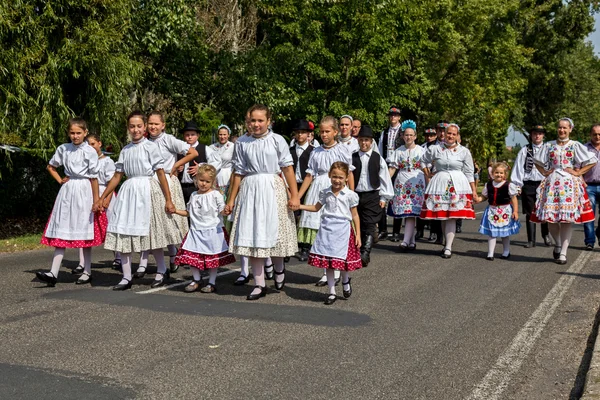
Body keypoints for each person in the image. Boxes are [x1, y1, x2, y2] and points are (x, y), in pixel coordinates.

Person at [97, 111, 179, 290]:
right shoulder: (126, 150)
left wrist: (169, 199)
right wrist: (103, 197)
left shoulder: (151, 147)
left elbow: (161, 174)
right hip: (129, 192)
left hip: (147, 190)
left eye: (139, 126)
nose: (135, 130)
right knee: (123, 232)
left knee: (151, 233)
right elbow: (117, 176)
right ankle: (126, 276)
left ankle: (161, 270)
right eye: (132, 126)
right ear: (128, 128)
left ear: (144, 128)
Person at [225, 104, 299, 300]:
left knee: (274, 232)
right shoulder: (241, 142)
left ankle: (279, 268)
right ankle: (259, 284)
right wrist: (231, 199)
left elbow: (287, 168)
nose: (256, 124)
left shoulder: (277, 140)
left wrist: (295, 195)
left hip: (273, 187)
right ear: (247, 121)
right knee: (253, 234)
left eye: (260, 120)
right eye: (252, 121)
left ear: (268, 121)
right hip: (250, 189)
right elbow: (238, 172)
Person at [36, 118, 101, 287]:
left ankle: (87, 271)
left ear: (85, 133)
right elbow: (51, 166)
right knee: (61, 227)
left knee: (84, 230)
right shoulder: (63, 149)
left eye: (78, 133)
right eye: (72, 133)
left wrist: (96, 200)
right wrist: (60, 181)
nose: (75, 136)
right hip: (68, 190)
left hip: (83, 190)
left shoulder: (89, 151)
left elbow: (94, 178)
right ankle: (53, 272)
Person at [297, 116, 355, 286]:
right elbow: (309, 175)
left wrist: (350, 193)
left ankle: (337, 270)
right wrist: (298, 196)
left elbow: (349, 173)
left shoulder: (342, 150)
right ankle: (326, 271)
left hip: (337, 189)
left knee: (336, 230)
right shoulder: (315, 151)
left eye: (327, 131)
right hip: (319, 190)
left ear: (335, 132)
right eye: (321, 131)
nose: (323, 134)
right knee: (322, 232)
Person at [532, 118, 597, 264]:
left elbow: (592, 160)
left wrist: (577, 173)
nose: (562, 130)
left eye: (565, 128)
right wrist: (544, 172)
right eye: (560, 127)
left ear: (570, 129)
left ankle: (563, 252)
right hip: (552, 183)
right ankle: (558, 244)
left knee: (567, 219)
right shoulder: (549, 145)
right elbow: (537, 160)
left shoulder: (575, 145)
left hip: (569, 184)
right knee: (551, 219)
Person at [141, 112, 198, 275]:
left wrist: (176, 165)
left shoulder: (168, 140)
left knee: (168, 220)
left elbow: (193, 152)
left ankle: (174, 255)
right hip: (150, 182)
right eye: (150, 123)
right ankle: (145, 263)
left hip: (166, 179)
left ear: (163, 125)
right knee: (153, 222)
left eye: (156, 124)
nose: (153, 127)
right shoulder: (145, 141)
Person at [300, 162, 362, 305]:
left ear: (346, 178)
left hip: (344, 230)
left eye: (340, 177)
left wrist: (358, 234)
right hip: (327, 230)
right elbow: (316, 208)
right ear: (329, 176)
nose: (337, 180)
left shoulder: (350, 195)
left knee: (343, 262)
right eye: (334, 176)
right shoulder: (325, 192)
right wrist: (300, 206)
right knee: (329, 263)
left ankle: (346, 281)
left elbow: (355, 215)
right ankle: (331, 292)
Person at [173, 164, 235, 293]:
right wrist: (175, 211)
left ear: (212, 182)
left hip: (213, 231)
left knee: (212, 258)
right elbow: (188, 212)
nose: (204, 184)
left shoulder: (216, 195)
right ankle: (196, 279)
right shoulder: (194, 195)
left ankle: (211, 282)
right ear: (196, 179)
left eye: (208, 181)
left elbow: (221, 211)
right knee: (190, 255)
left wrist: (226, 210)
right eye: (202, 180)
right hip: (196, 230)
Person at [420, 123, 477, 258]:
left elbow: (469, 172)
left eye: (453, 134)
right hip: (439, 183)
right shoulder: (435, 149)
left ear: (457, 136)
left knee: (452, 216)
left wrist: (473, 190)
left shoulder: (464, 151)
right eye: (448, 133)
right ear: (444, 134)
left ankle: (448, 247)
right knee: (443, 216)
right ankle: (447, 241)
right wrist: (427, 173)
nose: (450, 136)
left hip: (457, 184)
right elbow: (423, 161)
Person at [73, 134, 121, 275]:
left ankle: (118, 256)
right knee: (85, 227)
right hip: (89, 193)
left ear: (99, 144)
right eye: (88, 145)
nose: (91, 147)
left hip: (105, 192)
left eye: (93, 144)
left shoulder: (107, 162)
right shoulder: (85, 159)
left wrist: (107, 199)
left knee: (111, 226)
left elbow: (112, 181)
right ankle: (82, 262)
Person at [352, 125, 393, 266]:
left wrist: (384, 197)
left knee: (370, 222)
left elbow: (384, 177)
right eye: (362, 140)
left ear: (371, 141)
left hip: (372, 194)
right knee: (360, 223)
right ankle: (358, 249)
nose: (364, 143)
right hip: (356, 194)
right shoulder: (353, 157)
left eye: (367, 140)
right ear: (358, 141)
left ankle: (366, 252)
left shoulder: (377, 158)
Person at [387, 120, 426, 251]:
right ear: (403, 136)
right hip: (402, 182)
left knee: (411, 213)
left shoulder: (421, 151)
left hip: (417, 183)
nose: (408, 137)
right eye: (406, 135)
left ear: (415, 136)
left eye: (411, 135)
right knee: (407, 212)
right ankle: (411, 241)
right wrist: (386, 181)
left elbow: (427, 169)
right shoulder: (398, 151)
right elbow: (392, 168)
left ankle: (405, 241)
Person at [510, 125, 551, 248]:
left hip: (544, 183)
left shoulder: (548, 149)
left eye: (540, 133)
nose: (537, 136)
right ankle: (531, 240)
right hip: (529, 184)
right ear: (531, 135)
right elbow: (518, 167)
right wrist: (517, 184)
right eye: (535, 133)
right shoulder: (525, 150)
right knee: (530, 212)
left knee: (544, 210)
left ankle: (546, 236)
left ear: (543, 135)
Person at [478, 162, 521, 260]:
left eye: (501, 173)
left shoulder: (508, 185)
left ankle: (506, 251)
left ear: (505, 174)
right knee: (492, 233)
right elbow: (484, 196)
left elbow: (513, 199)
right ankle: (490, 253)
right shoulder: (488, 185)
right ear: (492, 173)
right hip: (492, 211)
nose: (499, 175)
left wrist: (515, 211)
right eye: (496, 172)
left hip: (505, 211)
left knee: (504, 234)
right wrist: (478, 200)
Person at [290, 119, 316, 261]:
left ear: (308, 135)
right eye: (298, 132)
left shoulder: (313, 151)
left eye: (303, 132)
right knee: (293, 213)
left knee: (307, 214)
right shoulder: (290, 151)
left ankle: (306, 247)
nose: (300, 135)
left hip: (308, 184)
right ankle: (292, 245)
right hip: (294, 184)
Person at [377, 107, 403, 241]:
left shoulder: (403, 132)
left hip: (399, 167)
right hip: (387, 165)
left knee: (397, 198)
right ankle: (383, 229)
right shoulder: (385, 132)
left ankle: (396, 232)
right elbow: (380, 150)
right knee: (383, 195)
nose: (393, 117)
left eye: (395, 115)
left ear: (399, 117)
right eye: (391, 115)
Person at [416, 127, 438, 240]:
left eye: (432, 135)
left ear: (436, 135)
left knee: (433, 206)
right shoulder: (421, 147)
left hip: (435, 178)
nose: (429, 137)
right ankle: (419, 230)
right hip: (422, 178)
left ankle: (433, 232)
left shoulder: (439, 147)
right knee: (421, 205)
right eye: (427, 135)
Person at [583, 124, 600, 250]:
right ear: (590, 135)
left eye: (599, 134)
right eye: (594, 134)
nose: (597, 136)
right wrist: (581, 181)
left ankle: (599, 232)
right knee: (589, 215)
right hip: (589, 186)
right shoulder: (584, 149)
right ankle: (590, 241)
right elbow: (577, 166)